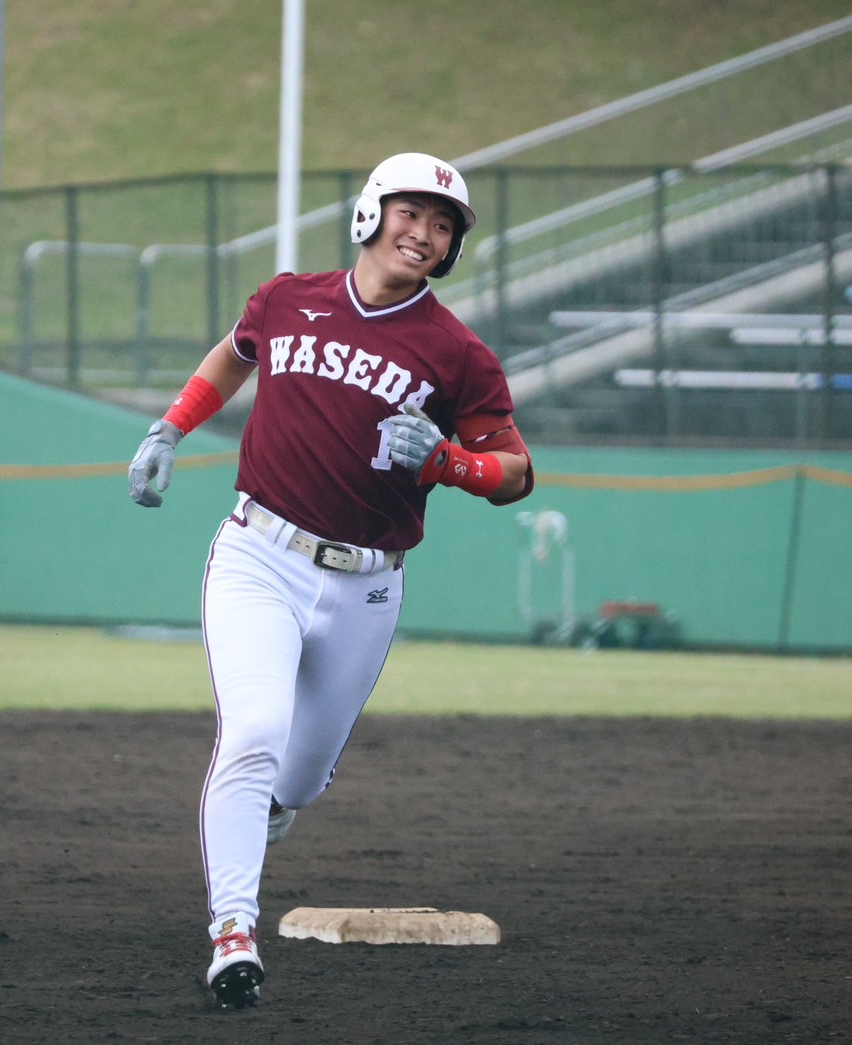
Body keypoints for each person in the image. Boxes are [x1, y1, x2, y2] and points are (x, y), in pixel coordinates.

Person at [126, 152, 534, 1009]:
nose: (423, 233)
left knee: (301, 777)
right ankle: (231, 933)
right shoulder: (286, 298)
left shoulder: (455, 352)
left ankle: (276, 806)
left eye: (442, 225)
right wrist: (170, 427)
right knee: (253, 731)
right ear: (371, 212)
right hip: (259, 554)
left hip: (366, 586)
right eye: (411, 213)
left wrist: (451, 462)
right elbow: (233, 354)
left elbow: (515, 471)